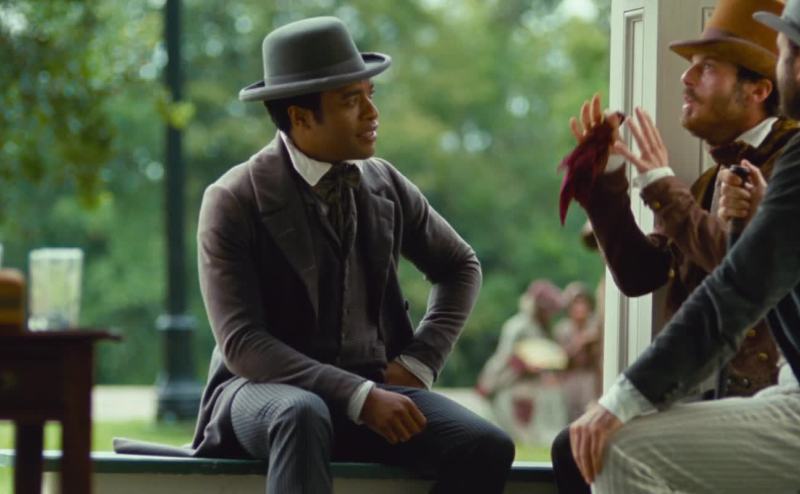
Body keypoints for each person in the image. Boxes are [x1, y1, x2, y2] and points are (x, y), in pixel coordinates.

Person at [119, 17, 515, 493]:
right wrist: (357, 395)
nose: (372, 112)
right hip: (258, 394)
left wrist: (418, 362)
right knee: (301, 412)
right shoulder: (233, 199)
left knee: (486, 445)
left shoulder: (385, 182)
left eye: (370, 94)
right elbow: (243, 343)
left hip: (373, 388)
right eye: (351, 100)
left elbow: (460, 266)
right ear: (301, 117)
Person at [551, 0, 797, 492]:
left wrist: (662, 185)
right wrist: (603, 182)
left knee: (607, 449)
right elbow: (642, 274)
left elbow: (742, 280)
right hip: (708, 387)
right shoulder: (709, 180)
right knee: (572, 448)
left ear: (759, 89)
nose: (685, 79)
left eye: (707, 68)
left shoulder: (788, 156)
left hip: (758, 390)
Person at [477, 279, 568, 444]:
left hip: (525, 385)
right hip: (506, 382)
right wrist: (527, 366)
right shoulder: (518, 326)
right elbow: (507, 356)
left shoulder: (540, 328)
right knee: (510, 432)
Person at [553, 282, 601, 421]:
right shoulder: (562, 329)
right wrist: (580, 343)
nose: (580, 308)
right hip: (570, 379)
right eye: (575, 303)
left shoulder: (596, 326)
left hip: (591, 378)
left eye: (583, 303)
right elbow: (560, 360)